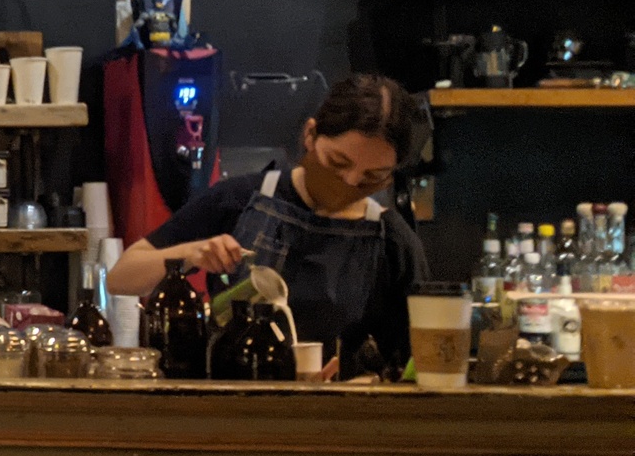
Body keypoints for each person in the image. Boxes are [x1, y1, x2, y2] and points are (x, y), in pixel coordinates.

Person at [107, 73, 427, 370]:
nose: (350, 182)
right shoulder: (238, 199)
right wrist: (192, 254)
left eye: (372, 177)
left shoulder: (391, 242)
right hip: (232, 399)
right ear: (310, 134)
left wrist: (368, 381)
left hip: (336, 407)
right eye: (337, 162)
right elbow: (121, 278)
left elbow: (412, 365)